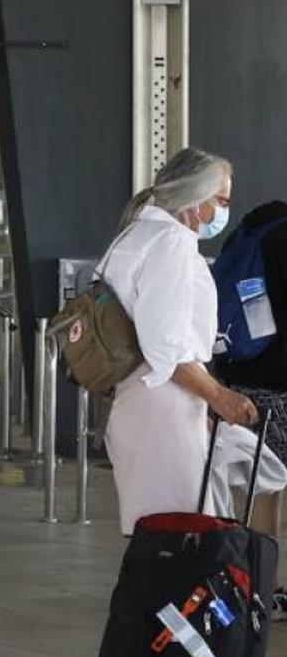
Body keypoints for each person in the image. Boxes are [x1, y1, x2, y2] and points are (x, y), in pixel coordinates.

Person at [101, 147, 258, 537]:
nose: (223, 212)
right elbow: (165, 349)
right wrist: (219, 396)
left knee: (157, 528)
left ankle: (160, 598)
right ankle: (169, 599)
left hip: (145, 399)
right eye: (220, 201)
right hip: (161, 403)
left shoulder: (137, 233)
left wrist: (197, 404)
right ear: (195, 197)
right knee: (178, 528)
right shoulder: (170, 243)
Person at [212, 198, 287, 617]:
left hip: (243, 375)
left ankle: (261, 587)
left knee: (265, 485)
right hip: (282, 382)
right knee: (270, 485)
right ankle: (262, 586)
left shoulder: (252, 230)